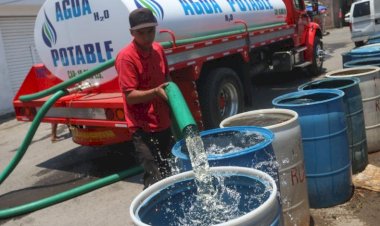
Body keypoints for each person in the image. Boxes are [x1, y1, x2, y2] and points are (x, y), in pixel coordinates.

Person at [115, 8, 173, 189]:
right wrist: (155, 92)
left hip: (162, 121)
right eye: (141, 33)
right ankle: (153, 212)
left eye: (151, 31)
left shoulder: (158, 50)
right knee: (153, 175)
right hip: (142, 126)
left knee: (168, 169)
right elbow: (130, 96)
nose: (148, 37)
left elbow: (167, 79)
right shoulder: (127, 58)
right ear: (131, 33)